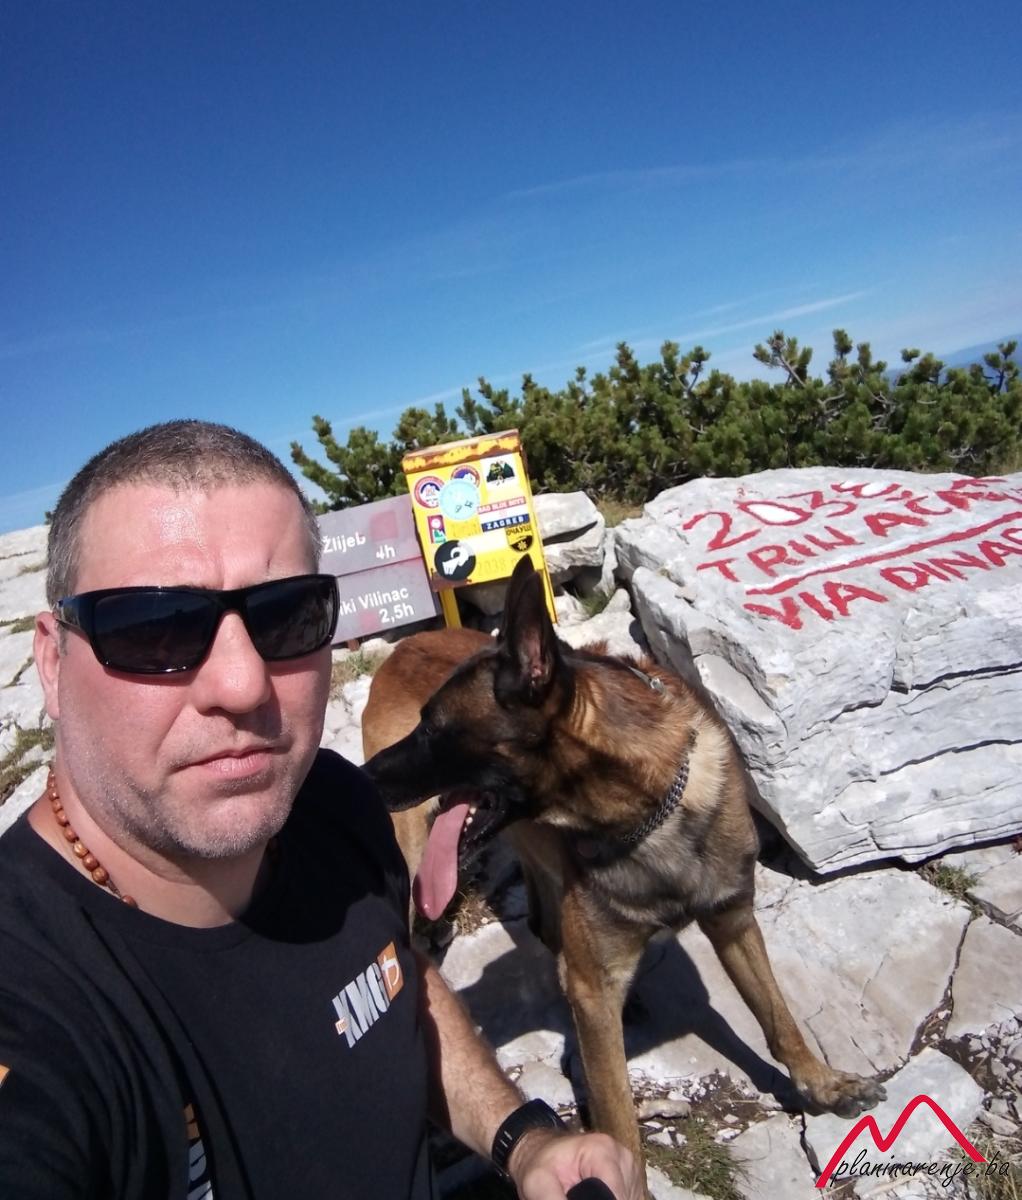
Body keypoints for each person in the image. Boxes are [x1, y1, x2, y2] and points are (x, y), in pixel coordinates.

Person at [0, 420, 642, 1200]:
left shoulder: (335, 803)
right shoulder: (35, 1005)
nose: (242, 685)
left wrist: (521, 1140)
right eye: (155, 627)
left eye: (286, 617)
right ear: (52, 661)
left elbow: (396, 982)